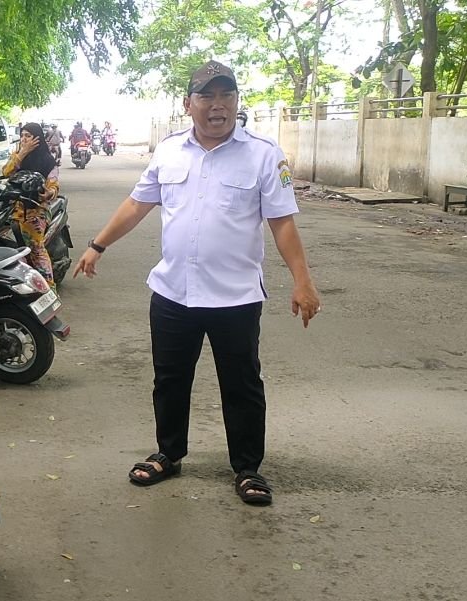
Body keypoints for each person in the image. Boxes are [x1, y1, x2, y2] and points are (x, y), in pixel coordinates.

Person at [73, 60, 321, 506]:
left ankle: (247, 468)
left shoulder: (264, 155)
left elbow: (282, 223)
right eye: (207, 96)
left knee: (242, 383)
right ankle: (169, 453)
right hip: (173, 292)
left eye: (227, 95)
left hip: (236, 297)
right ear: (189, 104)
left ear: (237, 103)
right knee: (169, 379)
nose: (218, 105)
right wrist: (97, 245)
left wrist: (303, 282)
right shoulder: (169, 151)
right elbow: (137, 204)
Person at [3, 122, 58, 286]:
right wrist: (23, 152)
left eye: (28, 136)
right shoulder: (17, 156)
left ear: (38, 138)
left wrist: (48, 193)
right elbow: (7, 172)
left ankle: (48, 288)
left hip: (36, 210)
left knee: (36, 249)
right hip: (14, 209)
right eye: (22, 136)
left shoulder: (48, 160)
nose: (24, 139)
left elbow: (53, 185)